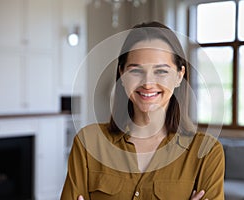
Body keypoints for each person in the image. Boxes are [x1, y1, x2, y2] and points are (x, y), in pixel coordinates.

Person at [60, 21, 225, 200]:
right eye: (136, 71)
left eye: (161, 71)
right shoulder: (88, 143)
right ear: (122, 74)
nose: (147, 83)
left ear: (179, 76)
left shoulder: (206, 152)